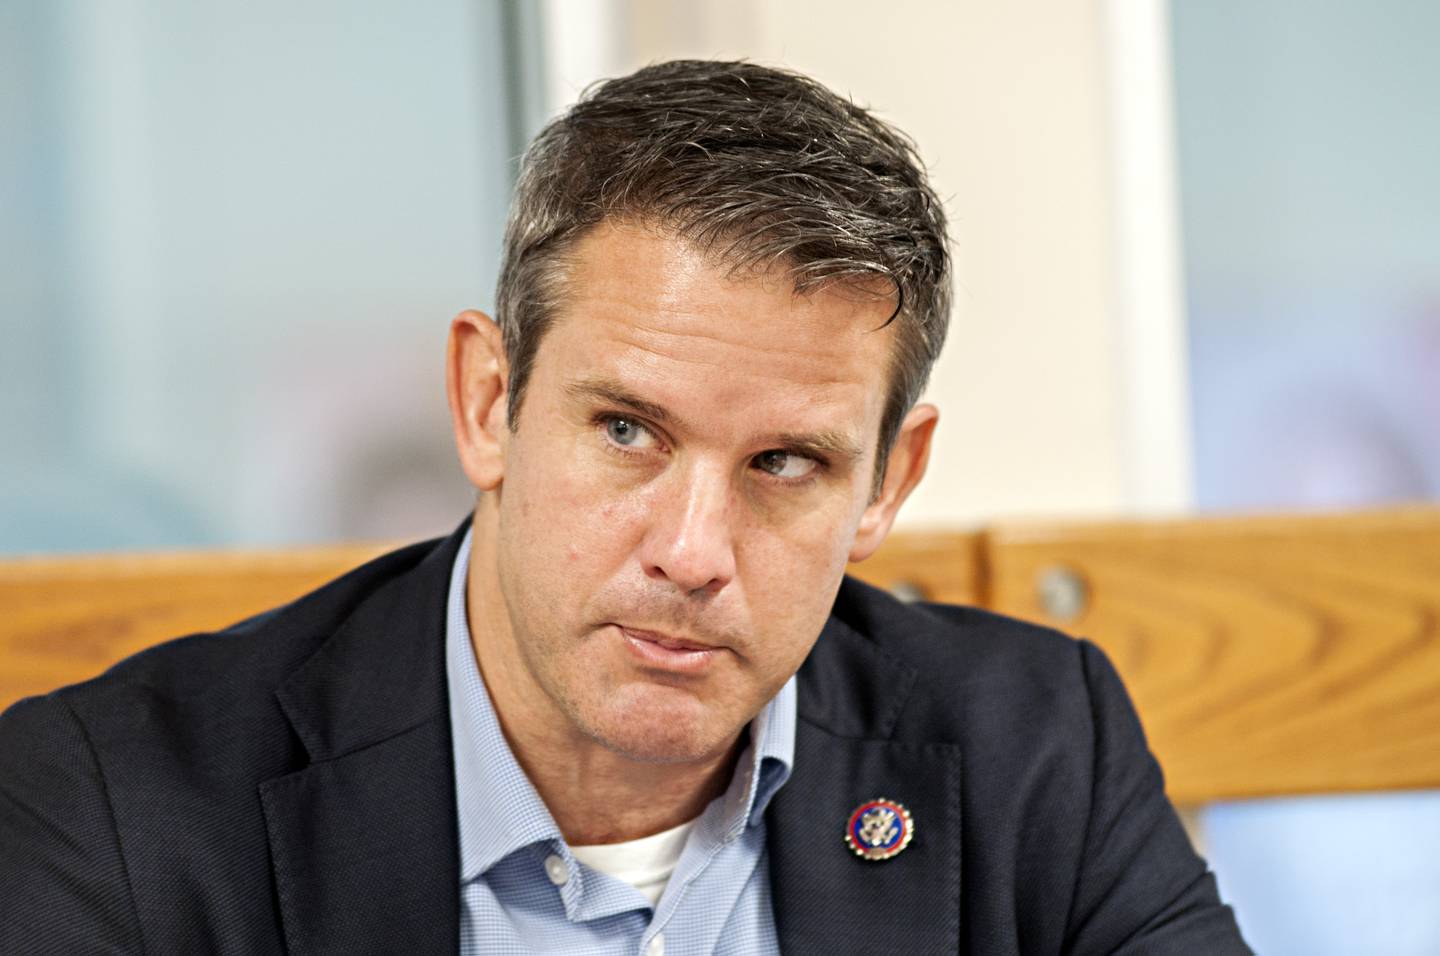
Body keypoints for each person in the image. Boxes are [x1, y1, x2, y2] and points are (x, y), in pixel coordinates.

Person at [0, 60, 1249, 953]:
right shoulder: (116, 809)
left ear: (888, 482)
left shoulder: (1038, 751)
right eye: (626, 430)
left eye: (785, 463)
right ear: (490, 401)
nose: (694, 551)